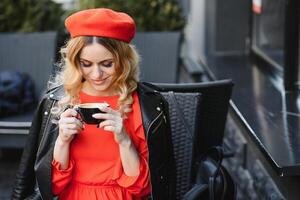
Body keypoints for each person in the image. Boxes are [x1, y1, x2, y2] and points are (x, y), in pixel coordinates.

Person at [12, 8, 175, 200]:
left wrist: (124, 139)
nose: (96, 75)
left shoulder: (146, 104)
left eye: (107, 64)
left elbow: (142, 189)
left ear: (124, 61)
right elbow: (52, 188)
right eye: (86, 64)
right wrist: (62, 141)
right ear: (75, 62)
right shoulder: (57, 101)